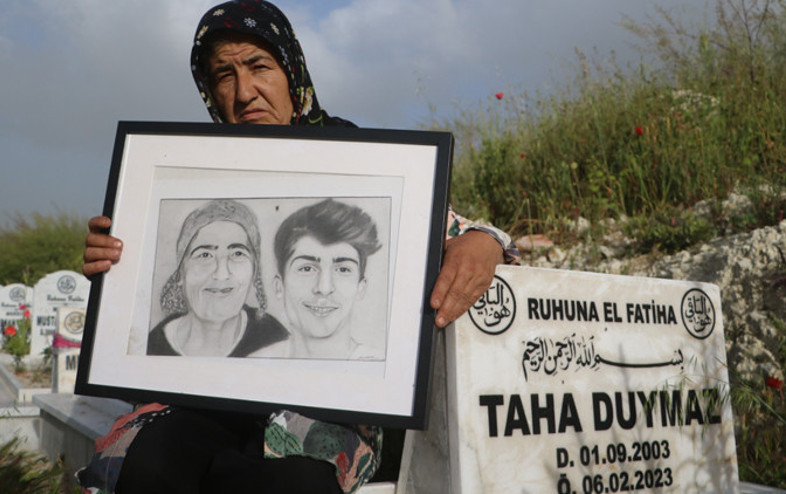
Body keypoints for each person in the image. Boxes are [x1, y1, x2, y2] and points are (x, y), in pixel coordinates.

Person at [79, 1, 519, 493]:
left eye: (259, 67)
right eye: (224, 75)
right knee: (152, 466)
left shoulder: (359, 159)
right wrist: (117, 265)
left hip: (320, 403)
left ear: (292, 71)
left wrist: (485, 242)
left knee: (297, 481)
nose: (244, 92)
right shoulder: (187, 175)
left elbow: (456, 233)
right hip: (199, 393)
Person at [148, 199, 288, 357]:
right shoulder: (150, 347)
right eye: (205, 255)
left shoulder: (275, 339)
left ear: (254, 271)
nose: (221, 274)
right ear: (181, 273)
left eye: (237, 254)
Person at [263, 198, 382, 360]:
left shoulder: (380, 366)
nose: (324, 288)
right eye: (307, 269)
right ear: (279, 286)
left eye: (343, 269)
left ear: (361, 287)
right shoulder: (253, 366)